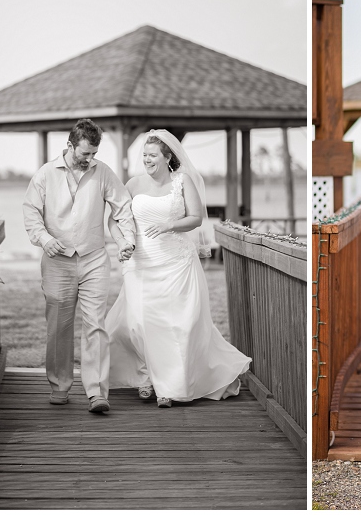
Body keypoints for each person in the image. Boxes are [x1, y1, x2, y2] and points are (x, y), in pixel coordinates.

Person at [105, 130, 251, 408]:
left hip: (176, 262)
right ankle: (146, 375)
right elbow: (114, 219)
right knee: (137, 322)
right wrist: (122, 240)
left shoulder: (182, 181)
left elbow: (196, 218)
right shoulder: (134, 184)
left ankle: (167, 387)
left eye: (152, 155)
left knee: (177, 325)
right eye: (144, 155)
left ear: (167, 156)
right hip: (140, 262)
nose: (146, 159)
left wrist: (169, 225)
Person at [23, 118, 136, 413]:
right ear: (70, 146)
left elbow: (123, 207)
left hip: (95, 260)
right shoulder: (45, 175)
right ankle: (59, 386)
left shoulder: (103, 173)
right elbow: (31, 213)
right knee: (58, 327)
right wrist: (45, 240)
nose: (90, 159)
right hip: (57, 261)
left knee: (95, 325)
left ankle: (97, 392)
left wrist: (128, 240)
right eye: (85, 153)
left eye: (94, 154)